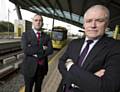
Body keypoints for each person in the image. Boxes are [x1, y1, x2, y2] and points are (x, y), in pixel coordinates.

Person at [58, 4, 120, 92]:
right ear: (84, 24)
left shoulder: (116, 47)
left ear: (106, 24)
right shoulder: (74, 43)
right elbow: (61, 62)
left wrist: (70, 66)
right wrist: (90, 79)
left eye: (99, 20)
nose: (93, 25)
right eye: (89, 21)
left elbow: (107, 87)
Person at [21, 14, 53, 92]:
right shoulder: (26, 35)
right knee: (28, 89)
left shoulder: (47, 36)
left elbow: (50, 50)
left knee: (38, 89)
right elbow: (26, 50)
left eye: (40, 20)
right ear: (33, 22)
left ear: (42, 23)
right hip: (29, 68)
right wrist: (42, 48)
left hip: (42, 68)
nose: (38, 22)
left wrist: (33, 50)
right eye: (36, 20)